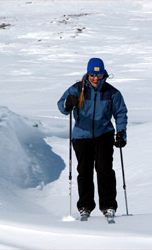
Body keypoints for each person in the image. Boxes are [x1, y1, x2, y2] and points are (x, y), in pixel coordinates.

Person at [57, 58, 127, 219]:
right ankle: (85, 206)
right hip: (82, 136)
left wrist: (121, 132)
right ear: (88, 73)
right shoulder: (77, 89)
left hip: (104, 135)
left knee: (105, 170)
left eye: (99, 74)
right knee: (84, 172)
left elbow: (121, 113)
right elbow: (62, 106)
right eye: (92, 74)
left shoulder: (112, 92)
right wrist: (68, 103)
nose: (96, 78)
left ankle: (108, 206)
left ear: (104, 73)